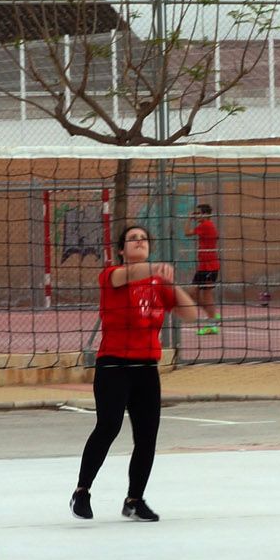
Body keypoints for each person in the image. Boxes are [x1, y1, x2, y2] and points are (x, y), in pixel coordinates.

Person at [71, 224, 206, 523]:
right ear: (121, 250)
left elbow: (191, 314)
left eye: (144, 239)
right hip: (113, 366)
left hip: (146, 368)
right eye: (133, 239)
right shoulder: (112, 275)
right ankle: (82, 491)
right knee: (109, 425)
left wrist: (171, 284)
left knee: (147, 437)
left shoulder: (157, 283)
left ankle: (134, 499)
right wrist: (154, 268)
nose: (139, 242)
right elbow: (130, 274)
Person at [189, 203, 222, 335]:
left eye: (198, 213)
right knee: (193, 294)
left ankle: (211, 324)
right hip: (203, 266)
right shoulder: (206, 225)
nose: (196, 216)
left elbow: (187, 233)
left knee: (206, 294)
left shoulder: (206, 225)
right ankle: (212, 314)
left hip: (209, 266)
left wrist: (188, 220)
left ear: (205, 214)